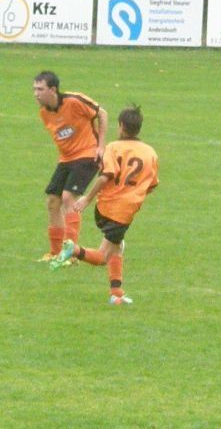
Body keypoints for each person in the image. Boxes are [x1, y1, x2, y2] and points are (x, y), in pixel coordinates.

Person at [51, 105, 159, 306]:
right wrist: (86, 199)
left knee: (118, 246)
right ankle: (74, 250)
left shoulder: (113, 147)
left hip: (104, 208)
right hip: (122, 212)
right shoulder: (150, 153)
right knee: (103, 257)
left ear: (121, 126)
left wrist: (89, 199)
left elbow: (106, 175)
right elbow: (151, 184)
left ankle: (116, 294)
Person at [33, 71, 108, 263]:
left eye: (40, 89)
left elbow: (102, 113)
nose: (36, 94)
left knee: (68, 197)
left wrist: (101, 146)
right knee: (52, 201)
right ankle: (55, 252)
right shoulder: (44, 113)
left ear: (53, 90)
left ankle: (71, 253)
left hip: (88, 154)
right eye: (34, 89)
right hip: (66, 159)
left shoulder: (74, 101)